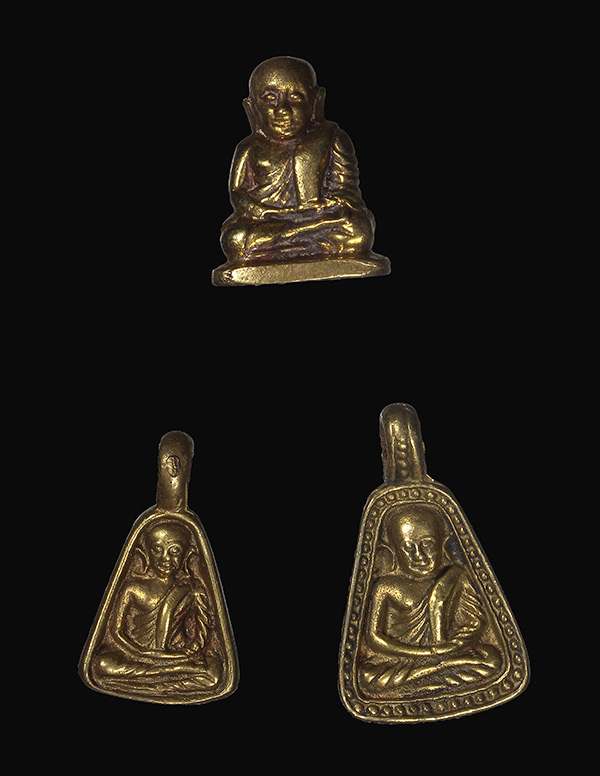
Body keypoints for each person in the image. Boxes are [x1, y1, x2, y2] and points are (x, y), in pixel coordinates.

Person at [220, 56, 376, 264]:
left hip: (318, 217)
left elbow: (347, 192)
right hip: (269, 220)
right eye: (269, 99)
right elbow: (237, 191)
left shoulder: (333, 138)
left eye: (295, 97)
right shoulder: (248, 148)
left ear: (316, 101)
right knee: (235, 240)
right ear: (251, 108)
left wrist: (333, 205)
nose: (282, 109)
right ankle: (302, 238)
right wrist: (261, 212)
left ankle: (292, 241)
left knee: (359, 232)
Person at [359, 504, 501, 693]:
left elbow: (474, 624)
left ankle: (429, 678)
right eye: (408, 547)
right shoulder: (386, 587)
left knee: (492, 661)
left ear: (442, 543)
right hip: (409, 662)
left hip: (449, 656)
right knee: (367, 678)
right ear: (393, 550)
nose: (419, 555)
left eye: (427, 544)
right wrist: (427, 653)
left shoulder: (458, 577)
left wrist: (453, 646)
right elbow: (374, 639)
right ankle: (438, 673)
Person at [92, 520, 221, 691]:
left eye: (174, 550)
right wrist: (142, 653)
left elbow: (202, 633)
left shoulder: (192, 589)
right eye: (157, 550)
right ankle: (169, 678)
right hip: (137, 655)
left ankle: (147, 682)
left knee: (215, 672)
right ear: (144, 554)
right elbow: (115, 631)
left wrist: (187, 652)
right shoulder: (133, 588)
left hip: (176, 656)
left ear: (187, 555)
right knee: (101, 664)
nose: (165, 558)